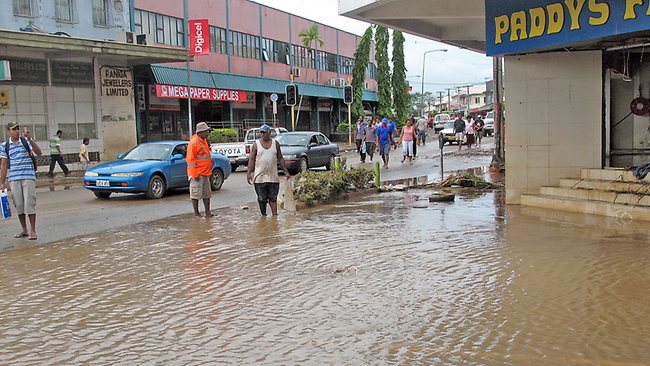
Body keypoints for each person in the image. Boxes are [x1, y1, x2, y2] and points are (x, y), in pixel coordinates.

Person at [0, 121, 43, 240]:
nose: (17, 131)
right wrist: (2, 182)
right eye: (14, 129)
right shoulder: (4, 146)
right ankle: (24, 229)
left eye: (18, 129)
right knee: (18, 205)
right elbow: (3, 164)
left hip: (28, 177)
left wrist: (30, 139)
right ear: (8, 131)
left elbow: (39, 153)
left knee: (29, 204)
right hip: (14, 178)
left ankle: (33, 230)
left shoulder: (25, 141)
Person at [247, 124, 291, 216]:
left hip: (273, 177)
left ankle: (275, 215)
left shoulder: (275, 144)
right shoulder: (256, 144)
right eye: (261, 133)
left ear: (269, 133)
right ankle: (264, 216)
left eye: (264, 132)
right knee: (262, 198)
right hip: (259, 177)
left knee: (273, 198)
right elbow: (252, 159)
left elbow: (280, 158)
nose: (263, 134)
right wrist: (249, 173)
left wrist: (286, 171)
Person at [187, 122, 214, 217]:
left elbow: (206, 156)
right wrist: (194, 174)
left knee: (207, 194)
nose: (208, 133)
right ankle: (196, 213)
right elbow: (190, 160)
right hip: (197, 173)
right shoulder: (194, 143)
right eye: (206, 131)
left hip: (206, 172)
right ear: (200, 132)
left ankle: (207, 212)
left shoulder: (204, 141)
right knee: (195, 194)